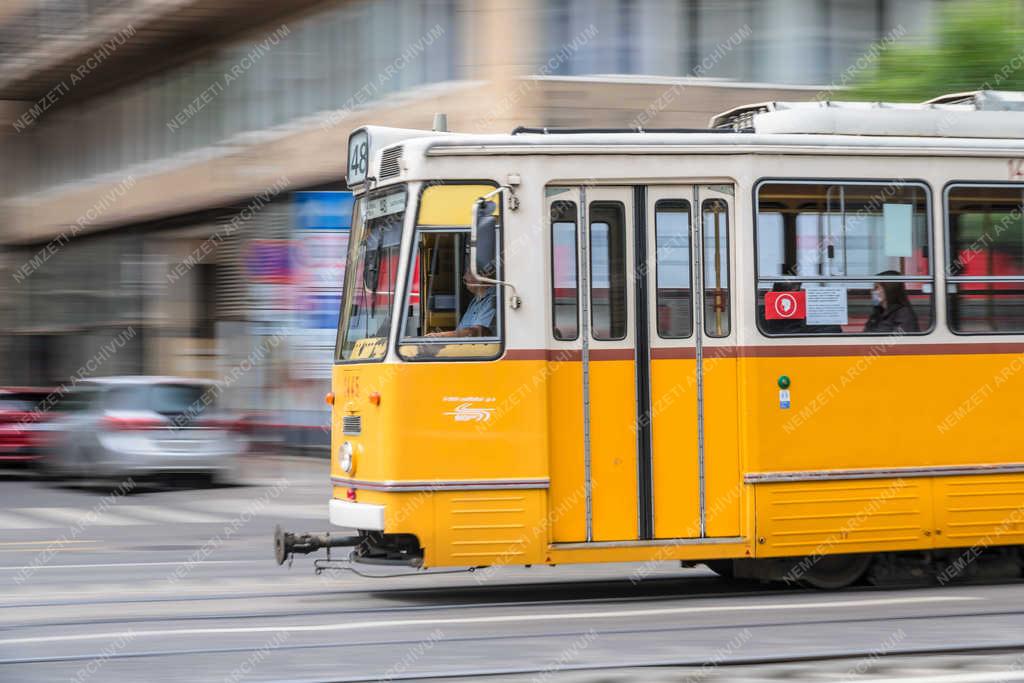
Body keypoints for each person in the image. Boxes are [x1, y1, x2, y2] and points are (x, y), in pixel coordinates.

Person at [426, 267, 496, 338]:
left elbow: (477, 332)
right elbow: (463, 329)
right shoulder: (475, 300)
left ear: (481, 277)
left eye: (468, 273)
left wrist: (441, 336)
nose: (464, 277)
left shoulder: (492, 299)